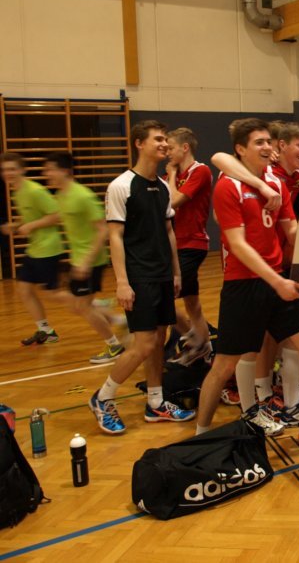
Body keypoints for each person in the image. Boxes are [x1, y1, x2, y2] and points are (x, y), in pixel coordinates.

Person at [196, 118, 299, 443]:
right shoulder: (228, 185)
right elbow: (238, 245)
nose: (267, 147)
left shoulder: (276, 184)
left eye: (269, 141)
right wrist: (275, 280)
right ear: (240, 149)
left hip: (277, 279)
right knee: (224, 364)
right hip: (244, 284)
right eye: (259, 142)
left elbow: (291, 230)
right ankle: (201, 437)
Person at [89, 120, 196, 434]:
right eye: (158, 139)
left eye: (166, 140)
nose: (164, 144)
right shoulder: (121, 186)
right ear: (139, 143)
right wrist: (122, 282)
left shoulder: (162, 187)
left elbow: (168, 232)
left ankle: (155, 402)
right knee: (144, 344)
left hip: (162, 274)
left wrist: (175, 271)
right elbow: (115, 236)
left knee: (159, 341)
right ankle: (102, 398)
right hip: (139, 276)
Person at [42, 152, 127, 363]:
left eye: (50, 169)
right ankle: (117, 319)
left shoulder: (83, 196)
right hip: (78, 260)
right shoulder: (61, 195)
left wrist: (87, 262)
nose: (46, 174)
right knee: (77, 305)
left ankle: (115, 346)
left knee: (82, 306)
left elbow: (103, 229)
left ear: (65, 171)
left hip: (91, 261)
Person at [1, 152, 66, 345]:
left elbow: (57, 215)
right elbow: (32, 216)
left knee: (53, 293)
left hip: (48, 248)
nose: (8, 173)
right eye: (4, 170)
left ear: (22, 170)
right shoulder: (17, 191)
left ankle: (92, 303)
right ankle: (46, 331)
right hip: (35, 249)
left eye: (12, 169)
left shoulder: (35, 191)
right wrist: (16, 225)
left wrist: (31, 226)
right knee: (24, 289)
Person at [165, 127, 214, 364]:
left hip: (193, 244)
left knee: (164, 299)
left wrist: (171, 175)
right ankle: (205, 346)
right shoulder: (172, 176)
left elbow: (174, 201)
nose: (167, 153)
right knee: (191, 301)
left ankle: (196, 342)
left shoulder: (200, 171)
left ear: (185, 148)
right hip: (175, 244)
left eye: (171, 148)